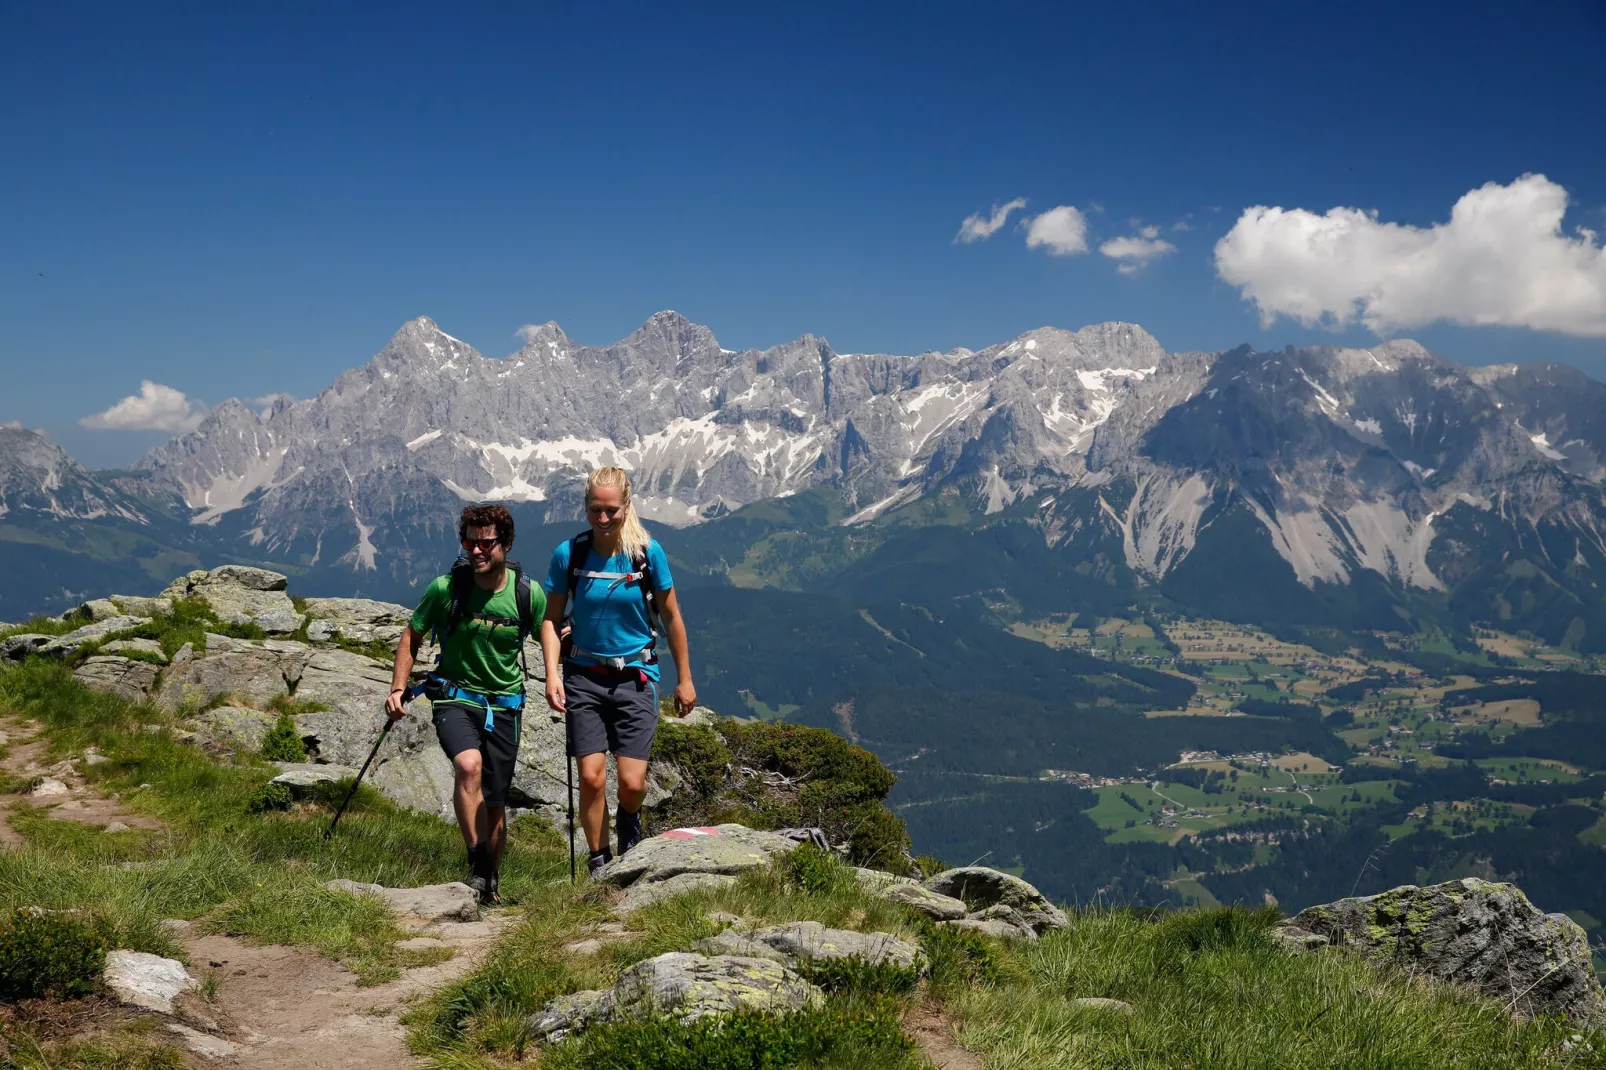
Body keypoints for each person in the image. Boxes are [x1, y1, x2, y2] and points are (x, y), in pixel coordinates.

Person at [541, 466, 695, 876]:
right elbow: (550, 619)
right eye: (595, 510)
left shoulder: (647, 553)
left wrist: (684, 678)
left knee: (631, 784)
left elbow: (672, 617)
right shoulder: (568, 554)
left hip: (636, 677)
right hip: (583, 676)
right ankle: (599, 861)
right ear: (586, 508)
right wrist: (552, 674)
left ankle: (629, 819)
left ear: (627, 506)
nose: (603, 519)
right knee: (591, 778)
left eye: (611, 510)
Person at [386, 503, 544, 904]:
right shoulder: (446, 589)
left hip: (506, 705)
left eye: (486, 544)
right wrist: (398, 687)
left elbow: (552, 637)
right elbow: (411, 636)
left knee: (495, 802)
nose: (476, 551)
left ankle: (490, 880)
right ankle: (477, 864)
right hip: (454, 697)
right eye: (469, 542)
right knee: (468, 765)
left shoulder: (528, 594)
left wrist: (567, 676)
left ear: (505, 545)